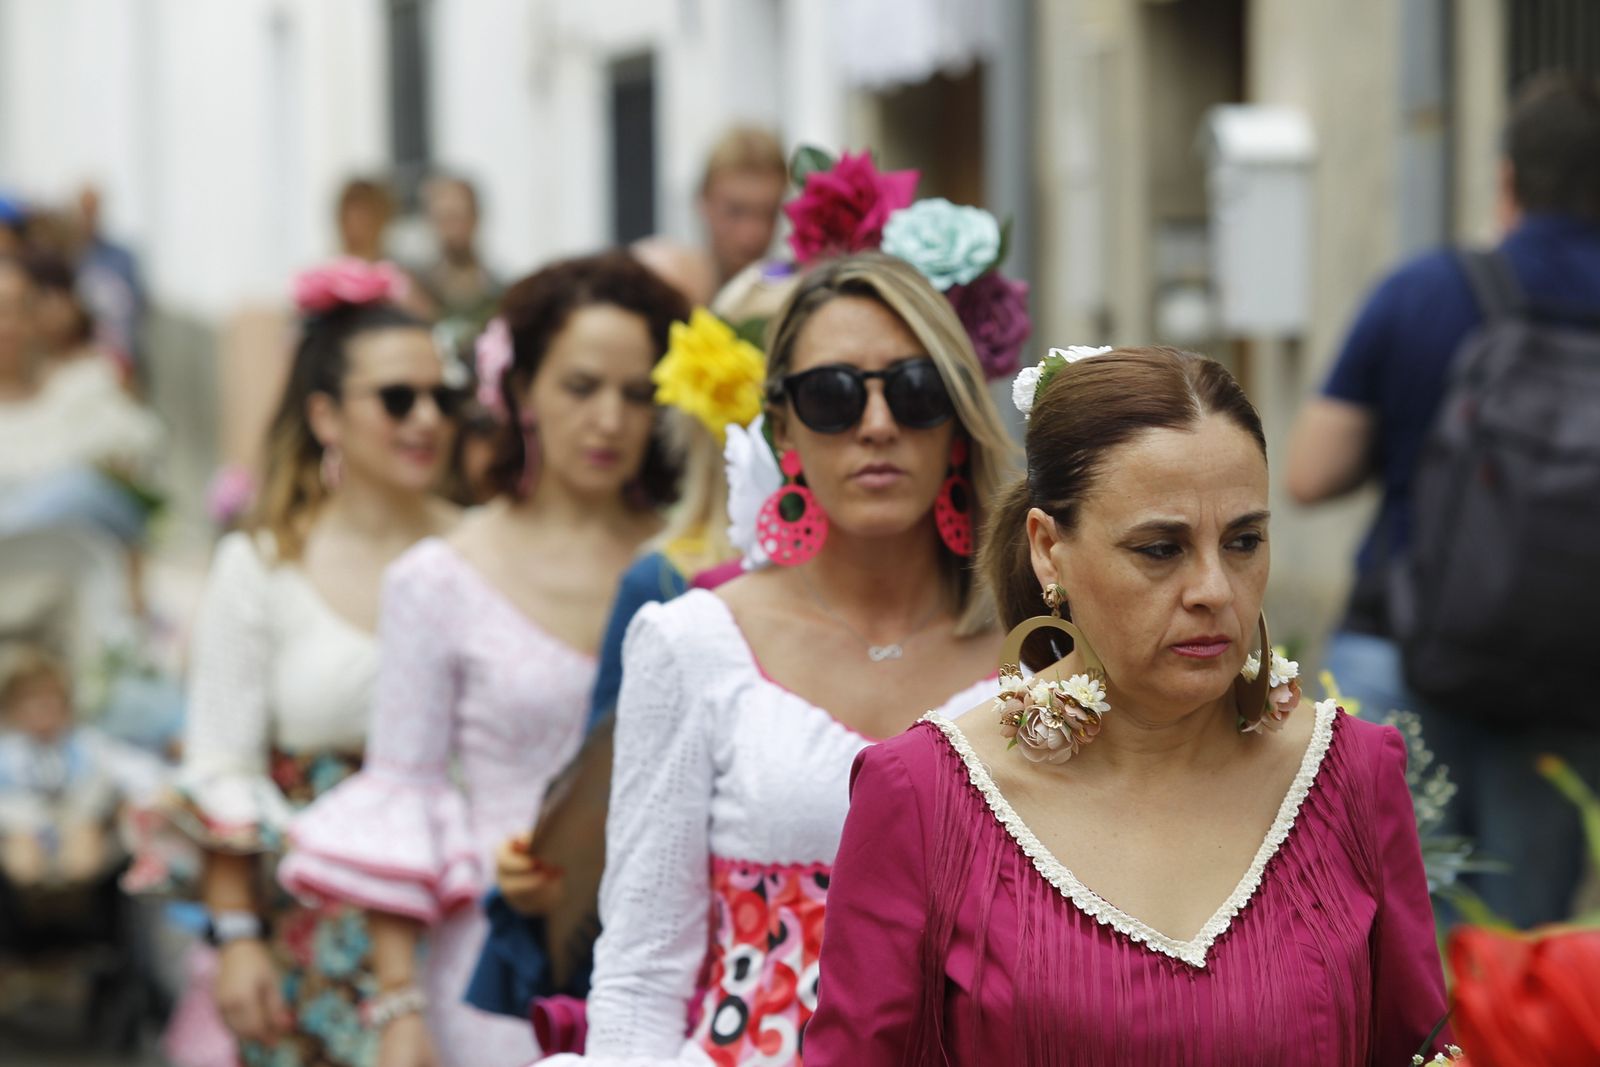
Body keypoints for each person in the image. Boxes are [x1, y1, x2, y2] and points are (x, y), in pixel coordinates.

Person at [806, 345, 1451, 1065]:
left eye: (1243, 541)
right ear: (1049, 550)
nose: (1213, 588)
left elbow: (1421, 1049)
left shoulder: (1352, 772)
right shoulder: (924, 794)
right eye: (1159, 548)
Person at [535, 251, 1012, 1066]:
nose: (876, 424)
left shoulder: (1040, 652)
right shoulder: (693, 643)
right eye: (831, 395)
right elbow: (644, 967)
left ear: (960, 417)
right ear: (783, 426)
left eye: (915, 389)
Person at [279, 251, 689, 1067]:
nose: (609, 418)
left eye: (637, 393)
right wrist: (400, 1009)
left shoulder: (698, 569)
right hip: (497, 978)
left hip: (673, 967)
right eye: (581, 387)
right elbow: (405, 791)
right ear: (522, 390)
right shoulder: (437, 578)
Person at [1285, 73, 1600, 927]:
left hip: (1402, 651)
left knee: (1391, 950)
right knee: (1523, 960)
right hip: (1571, 684)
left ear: (1507, 181)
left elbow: (1309, 473)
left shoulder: (1426, 290)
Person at [164, 258, 459, 1067]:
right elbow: (221, 761)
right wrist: (237, 938)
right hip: (313, 950)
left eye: (444, 396)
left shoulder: (480, 553)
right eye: (398, 398)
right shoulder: (261, 563)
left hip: (467, 933)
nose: (428, 417)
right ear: (327, 415)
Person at [0, 644, 164, 890]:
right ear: (12, 709)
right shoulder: (8, 751)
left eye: (49, 700)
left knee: (83, 849)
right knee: (22, 856)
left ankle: (71, 896)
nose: (40, 710)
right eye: (29, 701)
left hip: (77, 824)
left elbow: (138, 770)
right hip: (24, 827)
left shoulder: (87, 743)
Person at [698, 127, 788, 288]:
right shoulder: (671, 292)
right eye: (735, 211)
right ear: (703, 201)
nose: (752, 235)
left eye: (769, 213)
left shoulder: (794, 295)